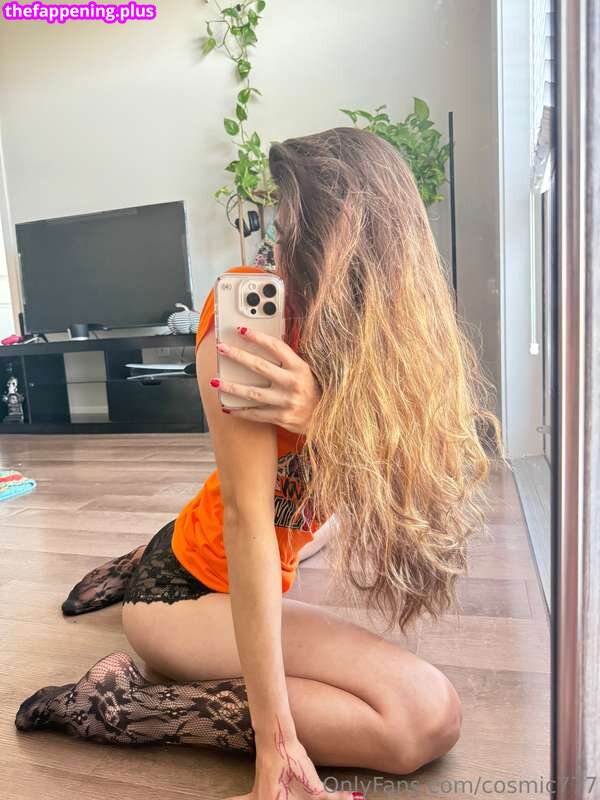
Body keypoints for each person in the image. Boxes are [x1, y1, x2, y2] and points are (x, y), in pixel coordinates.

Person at [15, 127, 500, 800]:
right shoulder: (252, 318)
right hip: (185, 594)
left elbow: (401, 497)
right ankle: (117, 704)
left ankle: (146, 549)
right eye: (276, 224)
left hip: (247, 544)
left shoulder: (386, 343)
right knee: (422, 720)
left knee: (317, 528)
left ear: (350, 241)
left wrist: (322, 420)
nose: (274, 246)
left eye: (289, 228)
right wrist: (277, 743)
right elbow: (247, 519)